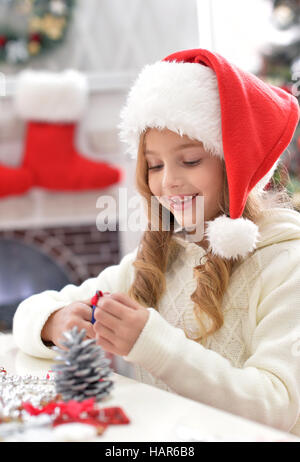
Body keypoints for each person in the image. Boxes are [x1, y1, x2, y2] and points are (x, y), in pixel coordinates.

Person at [13, 48, 300, 436]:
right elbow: (31, 311)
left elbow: (278, 406)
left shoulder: (286, 263)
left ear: (238, 163)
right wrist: (55, 322)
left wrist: (155, 344)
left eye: (191, 160)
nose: (167, 183)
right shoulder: (158, 260)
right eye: (155, 165)